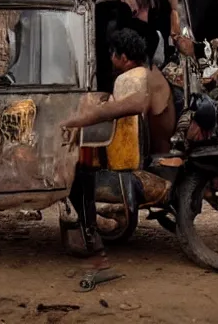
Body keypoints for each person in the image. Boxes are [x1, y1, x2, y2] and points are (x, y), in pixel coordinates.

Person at [58, 29, 177, 270]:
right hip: (136, 151)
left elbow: (128, 108)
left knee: (77, 175)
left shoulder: (131, 78)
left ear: (124, 57)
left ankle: (90, 235)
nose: (111, 59)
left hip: (124, 158)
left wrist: (83, 118)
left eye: (113, 54)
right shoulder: (144, 73)